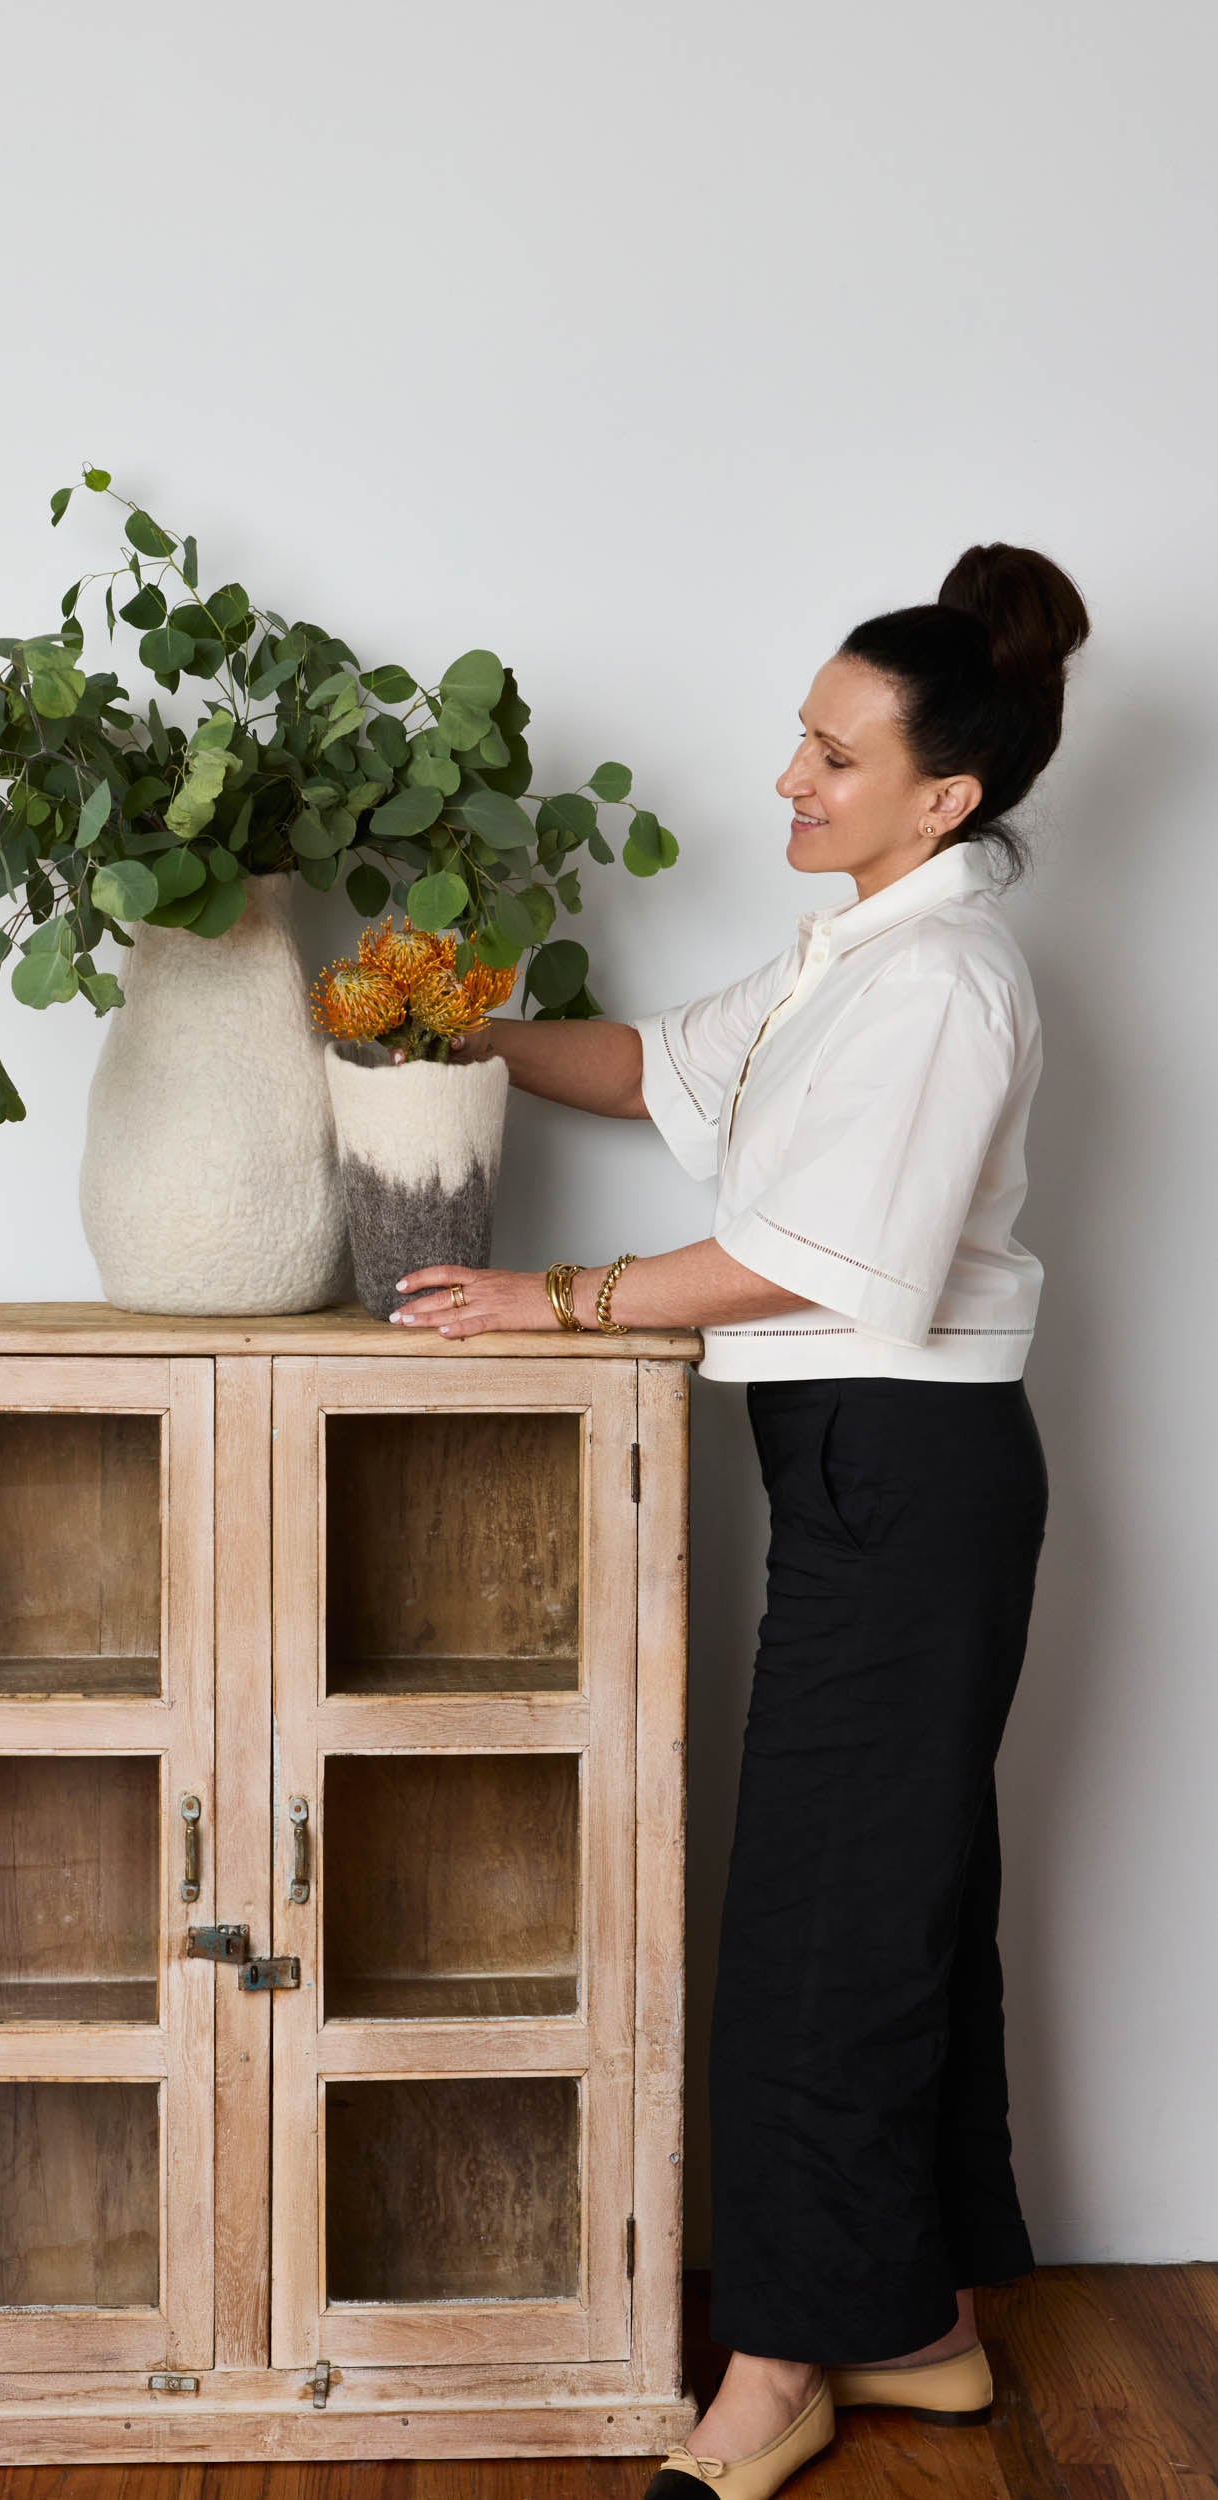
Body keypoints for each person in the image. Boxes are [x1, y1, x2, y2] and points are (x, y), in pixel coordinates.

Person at [391, 541, 1089, 2500]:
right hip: (864, 1466)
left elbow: (812, 1255)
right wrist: (454, 1024)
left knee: (820, 1926)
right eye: (800, 734)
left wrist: (562, 1297)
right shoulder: (852, 948)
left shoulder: (945, 976)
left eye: (834, 754)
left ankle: (779, 2362)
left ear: (944, 798)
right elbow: (659, 1071)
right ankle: (922, 2329)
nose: (789, 775)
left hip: (912, 1466)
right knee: (893, 1894)